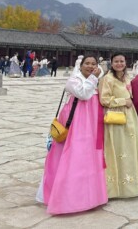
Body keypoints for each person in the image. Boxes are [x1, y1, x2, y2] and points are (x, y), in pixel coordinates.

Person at [39, 55, 107, 214]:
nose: (90, 66)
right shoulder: (73, 81)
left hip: (91, 123)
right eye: (87, 64)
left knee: (89, 157)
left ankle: (91, 196)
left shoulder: (97, 81)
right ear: (80, 65)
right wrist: (93, 78)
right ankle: (67, 197)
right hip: (75, 121)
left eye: (93, 64)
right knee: (73, 155)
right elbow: (83, 94)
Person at [100, 53, 138, 198]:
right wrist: (123, 101)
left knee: (131, 149)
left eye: (121, 61)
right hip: (116, 118)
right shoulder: (107, 79)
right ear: (111, 63)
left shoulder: (127, 78)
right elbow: (104, 99)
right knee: (119, 150)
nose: (119, 64)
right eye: (116, 61)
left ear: (125, 63)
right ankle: (117, 188)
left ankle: (134, 184)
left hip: (130, 117)